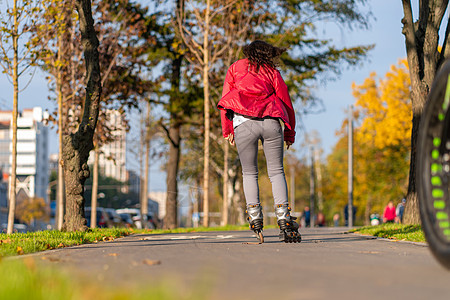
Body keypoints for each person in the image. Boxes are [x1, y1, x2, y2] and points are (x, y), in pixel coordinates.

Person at [217, 40, 300, 243]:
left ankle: (255, 217)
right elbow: (286, 102)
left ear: (248, 52)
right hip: (271, 121)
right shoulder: (272, 72)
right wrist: (290, 133)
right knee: (276, 171)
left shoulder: (235, 68)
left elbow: (226, 99)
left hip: (244, 124)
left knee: (249, 173)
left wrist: (227, 130)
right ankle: (284, 218)